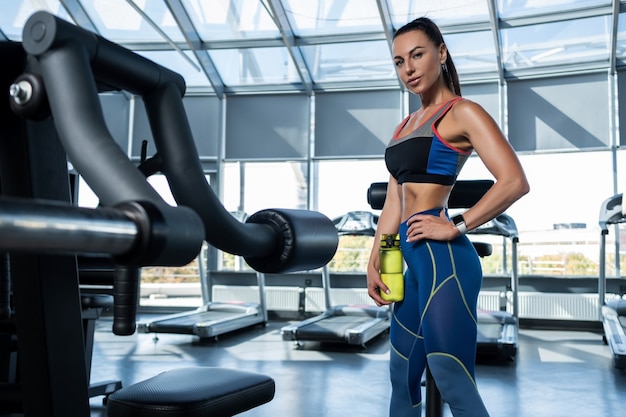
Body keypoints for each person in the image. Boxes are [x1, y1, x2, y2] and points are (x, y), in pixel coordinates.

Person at [367, 17, 530, 417]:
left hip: (447, 263)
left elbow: (514, 181)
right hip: (410, 264)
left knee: (451, 376)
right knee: (401, 377)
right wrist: (377, 259)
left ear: (441, 53)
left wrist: (455, 224)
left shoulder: (463, 112)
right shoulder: (403, 126)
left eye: (418, 55)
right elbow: (394, 204)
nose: (409, 68)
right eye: (400, 61)